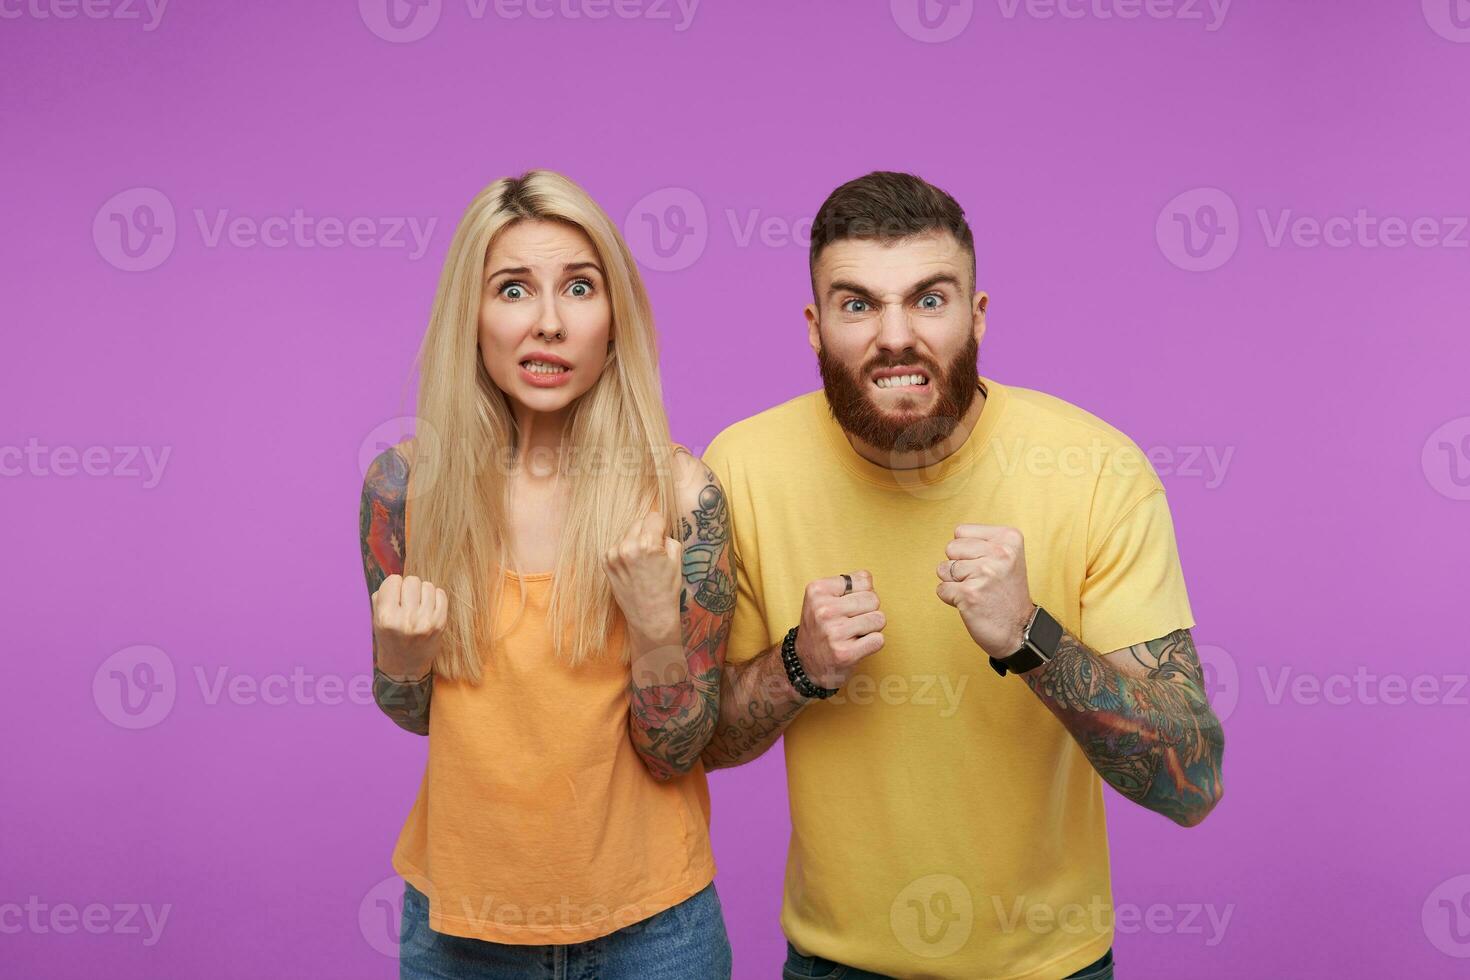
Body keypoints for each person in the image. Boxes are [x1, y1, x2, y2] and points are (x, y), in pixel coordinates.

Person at [700, 171, 1226, 980]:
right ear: (814, 326)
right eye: (857, 304)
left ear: (977, 315)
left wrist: (1032, 639)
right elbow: (702, 739)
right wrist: (797, 665)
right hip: (834, 964)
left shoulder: (1096, 470)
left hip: (1046, 968)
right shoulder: (740, 467)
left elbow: (1190, 780)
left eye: (930, 300)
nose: (896, 335)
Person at [358, 170, 735, 979]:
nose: (550, 322)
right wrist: (398, 658)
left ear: (612, 320)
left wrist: (656, 627)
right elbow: (415, 714)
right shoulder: (403, 491)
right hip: (460, 929)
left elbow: (676, 752)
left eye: (579, 287)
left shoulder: (680, 494)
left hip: (655, 933)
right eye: (514, 289)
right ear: (473, 316)